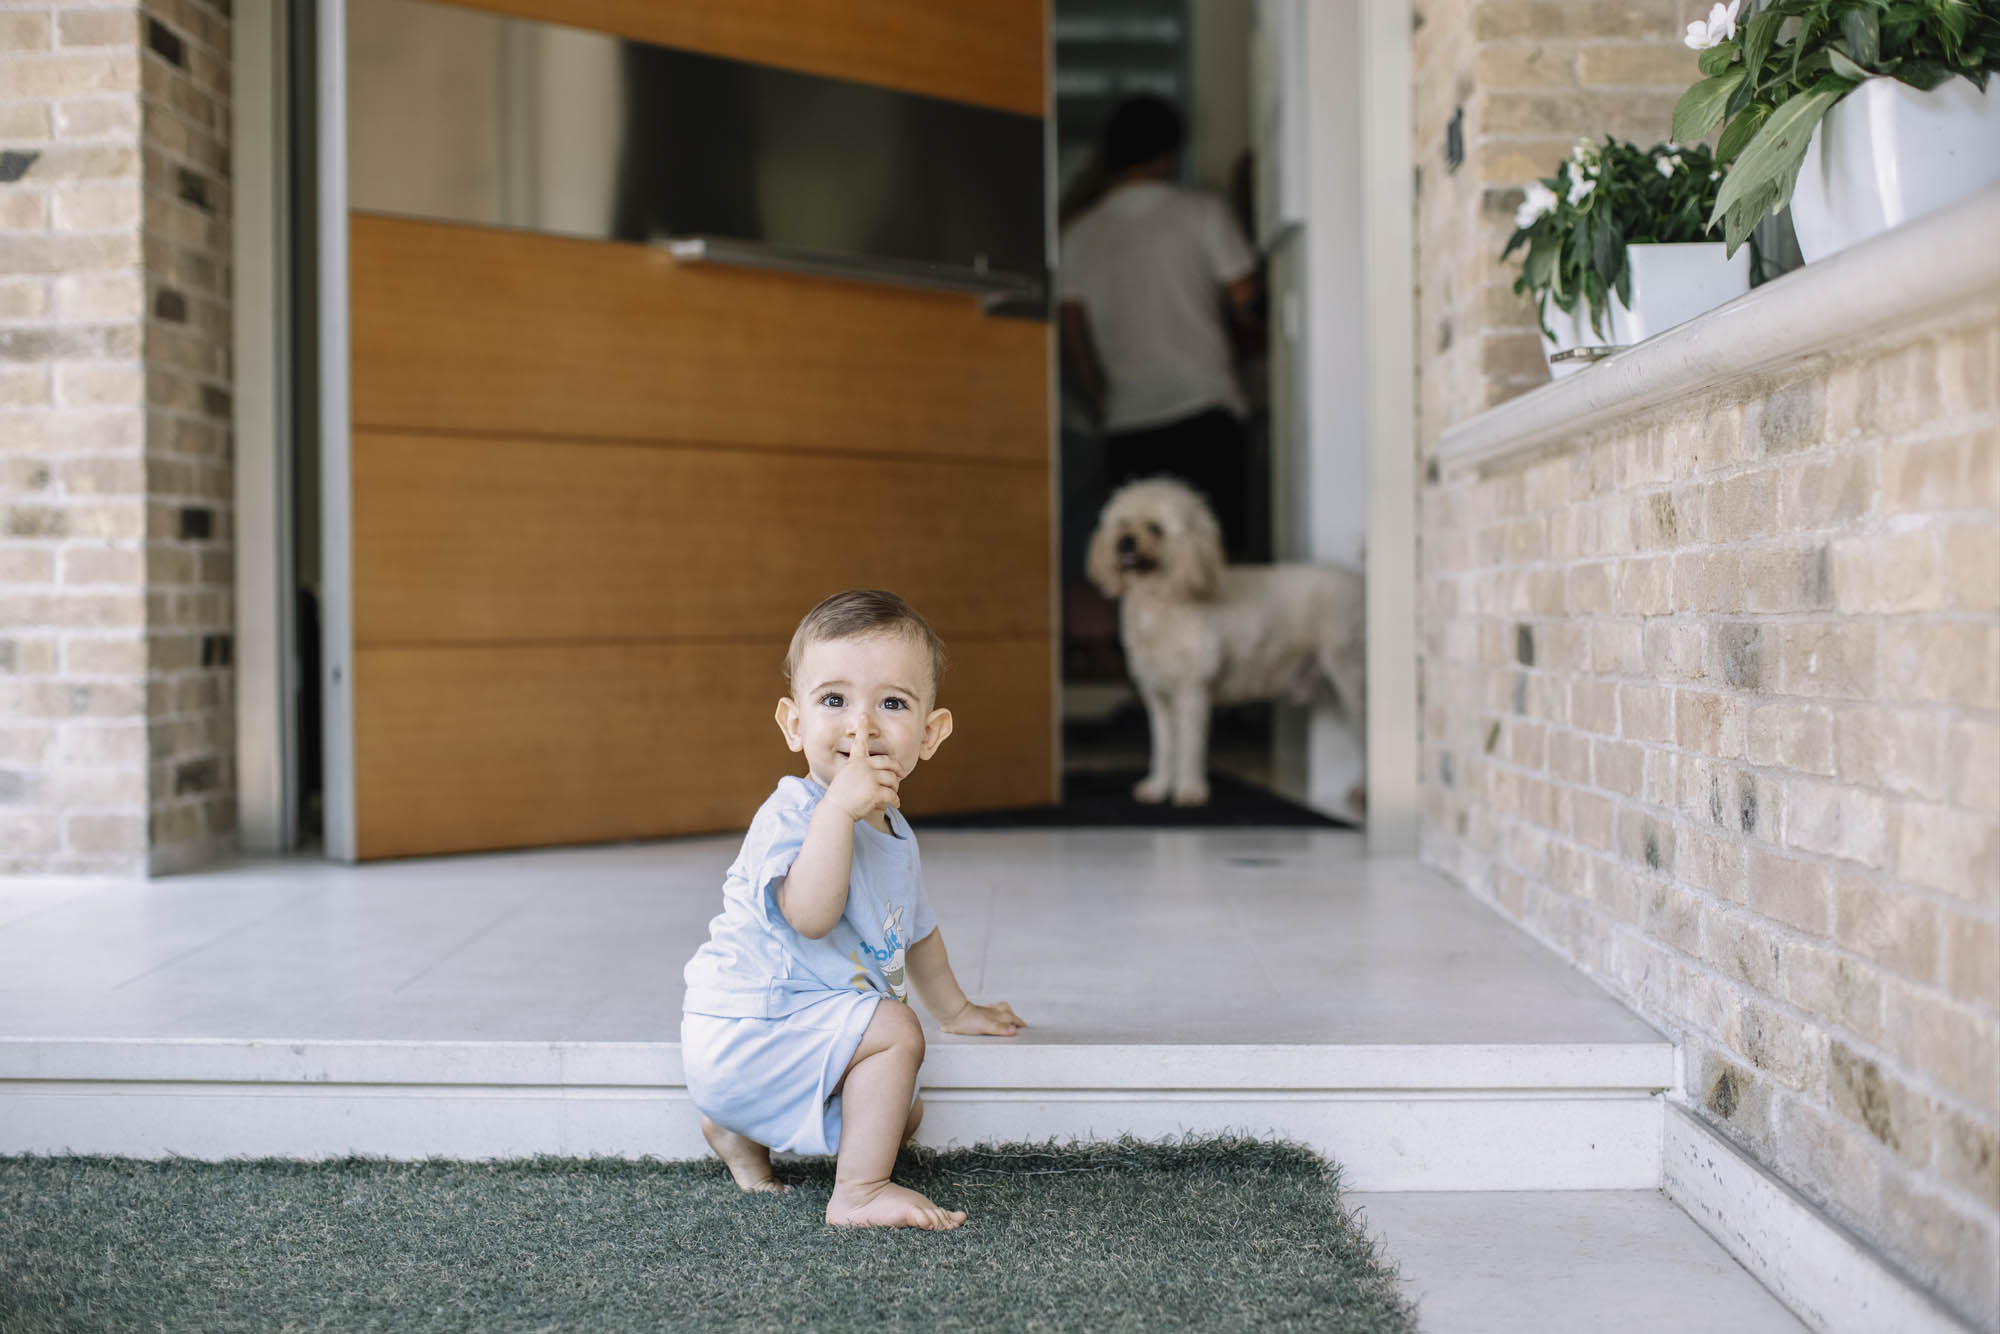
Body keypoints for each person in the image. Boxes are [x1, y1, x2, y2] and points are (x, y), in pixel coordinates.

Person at [680, 589, 1028, 1230]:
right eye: (834, 700)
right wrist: (838, 811)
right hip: (750, 1028)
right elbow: (810, 914)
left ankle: (737, 1133)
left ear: (929, 735)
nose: (860, 726)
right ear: (793, 724)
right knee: (896, 1031)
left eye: (891, 703)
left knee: (903, 1110)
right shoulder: (792, 813)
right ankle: (859, 1194)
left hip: (794, 1035)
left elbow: (915, 932)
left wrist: (957, 1010)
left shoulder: (895, 833)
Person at [1058, 95, 1264, 560]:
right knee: (1216, 560)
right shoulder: (1205, 212)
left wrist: (1098, 401)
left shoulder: (1079, 235)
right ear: (1168, 153)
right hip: (1205, 408)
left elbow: (1074, 336)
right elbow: (1248, 301)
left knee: (1140, 568)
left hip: (1128, 421)